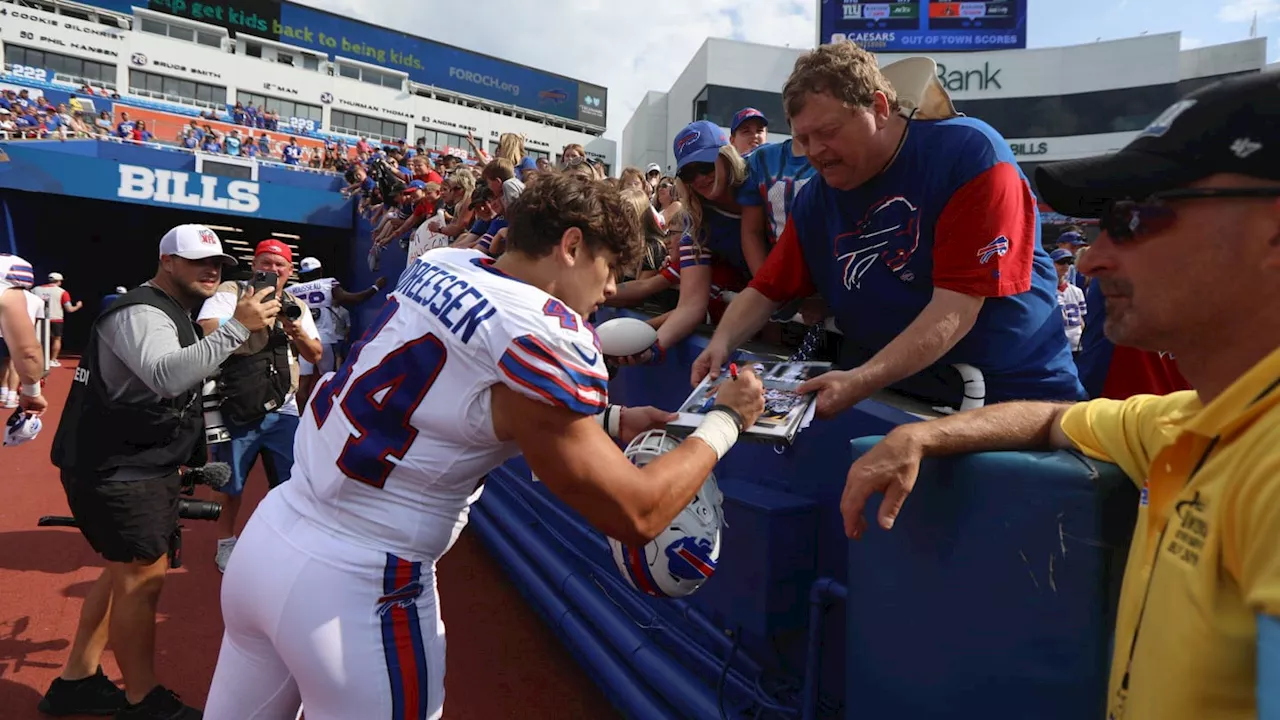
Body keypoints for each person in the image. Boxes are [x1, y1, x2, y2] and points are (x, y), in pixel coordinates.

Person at [204, 172, 766, 720]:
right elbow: (637, 511)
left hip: (272, 534)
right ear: (571, 245)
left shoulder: (444, 262)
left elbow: (446, 400)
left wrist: (611, 418)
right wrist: (724, 421)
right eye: (611, 266)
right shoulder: (547, 333)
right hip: (358, 586)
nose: (613, 289)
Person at [837, 72, 1280, 720]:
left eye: (1133, 218)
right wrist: (923, 434)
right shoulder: (1188, 421)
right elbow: (1051, 417)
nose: (1094, 259)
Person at [693, 43, 1085, 413]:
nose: (813, 151)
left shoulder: (970, 155)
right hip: (892, 396)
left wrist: (861, 380)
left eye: (827, 133)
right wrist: (722, 342)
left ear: (879, 107)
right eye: (803, 139)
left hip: (1013, 401)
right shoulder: (818, 196)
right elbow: (766, 289)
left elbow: (956, 310)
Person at [43, 224, 279, 719]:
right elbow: (168, 376)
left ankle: (78, 679)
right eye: (198, 261)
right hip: (119, 470)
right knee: (140, 582)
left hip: (133, 463)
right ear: (167, 261)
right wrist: (239, 326)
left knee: (122, 574)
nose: (211, 271)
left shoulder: (165, 310)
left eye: (218, 265)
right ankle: (143, 700)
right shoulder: (143, 312)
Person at [197, 239, 323, 573]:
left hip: (283, 406)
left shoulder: (295, 304)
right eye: (265, 263)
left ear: (290, 271)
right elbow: (209, 330)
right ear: (254, 265)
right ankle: (226, 544)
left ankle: (283, 545)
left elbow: (315, 354)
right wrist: (248, 318)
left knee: (292, 483)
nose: (272, 270)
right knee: (230, 485)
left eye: (279, 265)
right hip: (237, 402)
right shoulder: (231, 291)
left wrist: (293, 328)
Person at [288, 256, 386, 409]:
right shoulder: (328, 284)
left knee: (303, 382)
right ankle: (323, 412)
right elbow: (354, 298)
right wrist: (376, 287)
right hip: (324, 339)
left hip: (302, 339)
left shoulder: (291, 290)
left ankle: (301, 416)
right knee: (327, 379)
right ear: (320, 271)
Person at [0, 253, 46, 415]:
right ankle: (10, 394)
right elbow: (27, 351)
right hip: (13, 336)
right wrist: (32, 392)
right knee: (12, 362)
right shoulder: (13, 295)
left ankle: (5, 391)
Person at [32, 271, 83, 367]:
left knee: (38, 339)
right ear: (59, 281)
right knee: (57, 339)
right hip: (56, 318)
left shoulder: (35, 290)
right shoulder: (62, 292)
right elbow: (69, 309)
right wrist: (78, 306)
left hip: (39, 317)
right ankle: (52, 359)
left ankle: (37, 359)